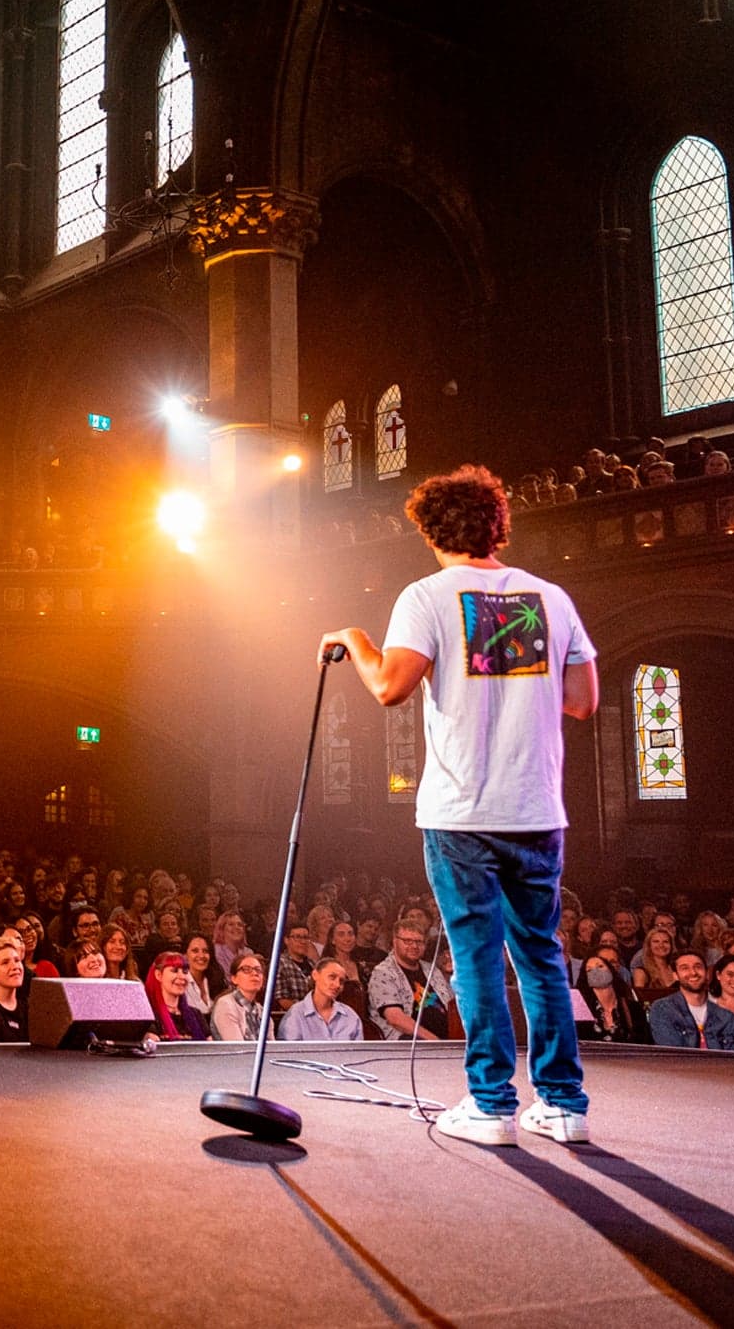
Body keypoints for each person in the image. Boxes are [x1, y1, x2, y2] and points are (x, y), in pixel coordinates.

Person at [322, 464, 598, 1146]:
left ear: (429, 530)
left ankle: (491, 1104)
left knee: (475, 955)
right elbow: (583, 700)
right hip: (535, 808)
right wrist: (517, 682)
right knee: (539, 953)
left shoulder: (428, 596)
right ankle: (563, 1104)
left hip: (462, 814)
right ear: (498, 525)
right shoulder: (551, 598)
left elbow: (390, 686)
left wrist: (353, 639)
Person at [645, 951, 734, 1051]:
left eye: (698, 967)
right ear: (675, 975)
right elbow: (674, 1056)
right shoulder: (663, 1009)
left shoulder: (728, 1018)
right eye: (685, 968)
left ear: (707, 973)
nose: (693, 972)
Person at [366, 923, 451, 1041]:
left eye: (419, 942)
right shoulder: (383, 973)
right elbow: (395, 1018)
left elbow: (452, 1006)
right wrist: (435, 1041)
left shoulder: (432, 970)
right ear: (395, 942)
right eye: (408, 941)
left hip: (447, 1040)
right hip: (408, 1043)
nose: (414, 946)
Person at [279, 960, 363, 1041]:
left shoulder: (351, 1016)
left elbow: (358, 1054)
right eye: (332, 977)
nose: (337, 985)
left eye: (341, 981)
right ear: (315, 975)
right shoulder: (295, 1014)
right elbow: (288, 1054)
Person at [575, 954, 648, 1044]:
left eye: (600, 966)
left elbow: (645, 1042)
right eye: (589, 970)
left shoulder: (633, 1008)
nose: (595, 971)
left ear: (611, 971)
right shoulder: (581, 1009)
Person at [145, 951, 207, 1041]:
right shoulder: (149, 1016)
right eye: (174, 970)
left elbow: (210, 1049)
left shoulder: (196, 1015)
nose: (182, 976)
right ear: (158, 975)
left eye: (185, 971)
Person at [211, 952, 271, 1042]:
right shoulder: (225, 1005)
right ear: (234, 978)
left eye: (258, 970)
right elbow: (237, 1049)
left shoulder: (262, 1011)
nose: (254, 973)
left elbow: (272, 1049)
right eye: (246, 969)